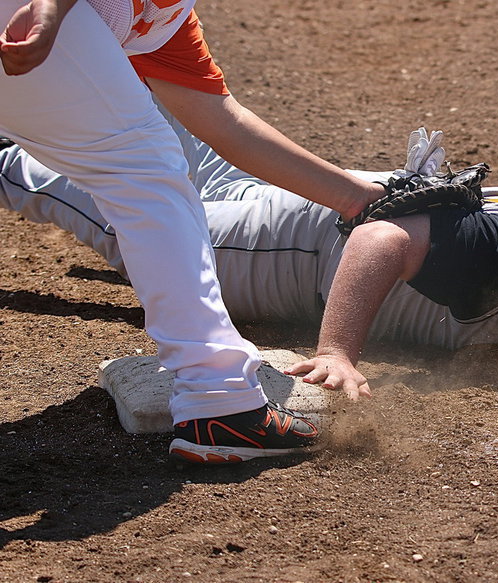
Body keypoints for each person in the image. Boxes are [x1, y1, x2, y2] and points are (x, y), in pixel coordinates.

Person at [0, 115, 498, 421]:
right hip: (300, 251)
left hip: (335, 196)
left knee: (175, 151)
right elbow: (380, 238)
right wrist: (336, 351)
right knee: (139, 225)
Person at [0, 0, 385, 465]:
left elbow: (223, 121)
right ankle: (219, 398)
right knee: (143, 171)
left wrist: (361, 197)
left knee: (144, 167)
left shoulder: (167, 17)